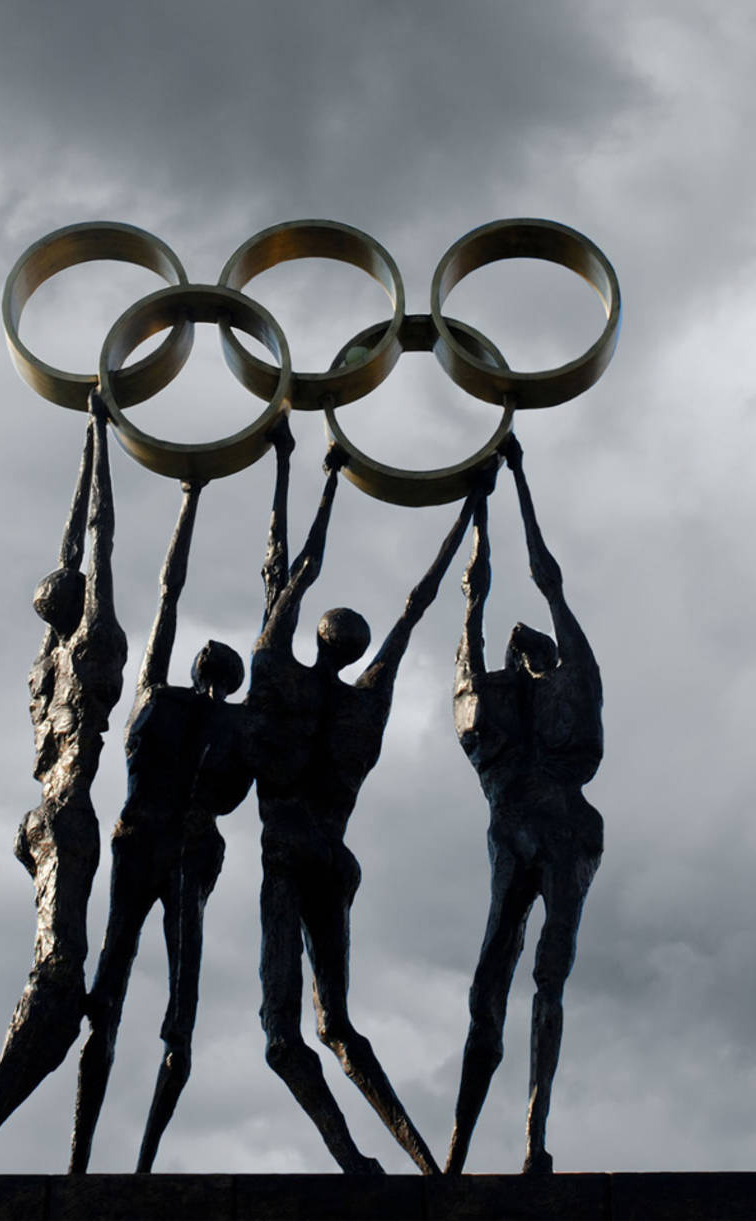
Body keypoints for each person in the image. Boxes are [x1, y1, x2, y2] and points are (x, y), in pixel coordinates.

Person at [245, 415, 481, 1176]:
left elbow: (292, 572)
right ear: (353, 649)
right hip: (333, 859)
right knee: (336, 1022)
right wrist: (468, 512)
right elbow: (416, 606)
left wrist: (321, 475)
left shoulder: (277, 680)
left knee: (286, 1036)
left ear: (316, 637)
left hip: (288, 853)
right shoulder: (364, 705)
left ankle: (353, 1157)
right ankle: (419, 1157)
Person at [0, 391, 128, 1173]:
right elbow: (97, 537)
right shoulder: (83, 653)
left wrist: (91, 435)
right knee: (56, 987)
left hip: (36, 816)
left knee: (58, 988)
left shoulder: (43, 662)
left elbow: (75, 539)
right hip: (66, 812)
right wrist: (101, 438)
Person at [69, 476, 251, 1173]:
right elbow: (168, 596)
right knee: (146, 996)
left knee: (143, 995)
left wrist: (191, 497)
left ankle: (109, 1162)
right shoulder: (215, 715)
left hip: (160, 844)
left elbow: (168, 596)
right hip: (166, 844)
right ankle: (110, 1160)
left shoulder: (170, 701)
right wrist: (190, 498)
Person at [444, 433, 604, 1176]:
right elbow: (545, 585)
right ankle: (490, 1143)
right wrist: (510, 483)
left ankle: (486, 1145)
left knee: (509, 982)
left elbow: (483, 607)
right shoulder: (561, 691)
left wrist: (488, 506)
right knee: (517, 982)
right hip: (561, 829)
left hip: (531, 830)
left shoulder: (494, 718)